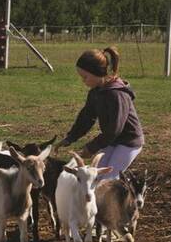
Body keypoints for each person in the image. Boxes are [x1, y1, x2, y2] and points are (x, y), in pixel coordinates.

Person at [55, 46, 144, 180]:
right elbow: (86, 118)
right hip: (112, 141)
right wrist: (70, 138)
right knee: (95, 177)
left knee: (109, 179)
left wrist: (91, 148)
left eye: (85, 77)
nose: (83, 81)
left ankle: (126, 198)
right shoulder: (95, 93)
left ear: (96, 73)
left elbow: (114, 129)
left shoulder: (117, 95)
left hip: (128, 142)